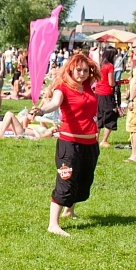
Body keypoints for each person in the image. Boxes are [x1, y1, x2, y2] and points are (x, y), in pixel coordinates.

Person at [29, 54, 101, 237]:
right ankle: (53, 224)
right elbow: (54, 103)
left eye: (86, 70)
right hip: (70, 143)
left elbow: (96, 69)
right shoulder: (63, 88)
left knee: (83, 180)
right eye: (78, 70)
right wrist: (40, 110)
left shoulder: (87, 85)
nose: (82, 74)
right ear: (70, 69)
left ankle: (70, 210)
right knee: (66, 180)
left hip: (90, 143)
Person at [95, 47, 118, 147]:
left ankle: (96, 138)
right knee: (110, 116)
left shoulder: (100, 65)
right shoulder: (110, 66)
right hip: (107, 94)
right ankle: (104, 140)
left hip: (98, 93)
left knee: (98, 115)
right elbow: (111, 83)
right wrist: (117, 83)